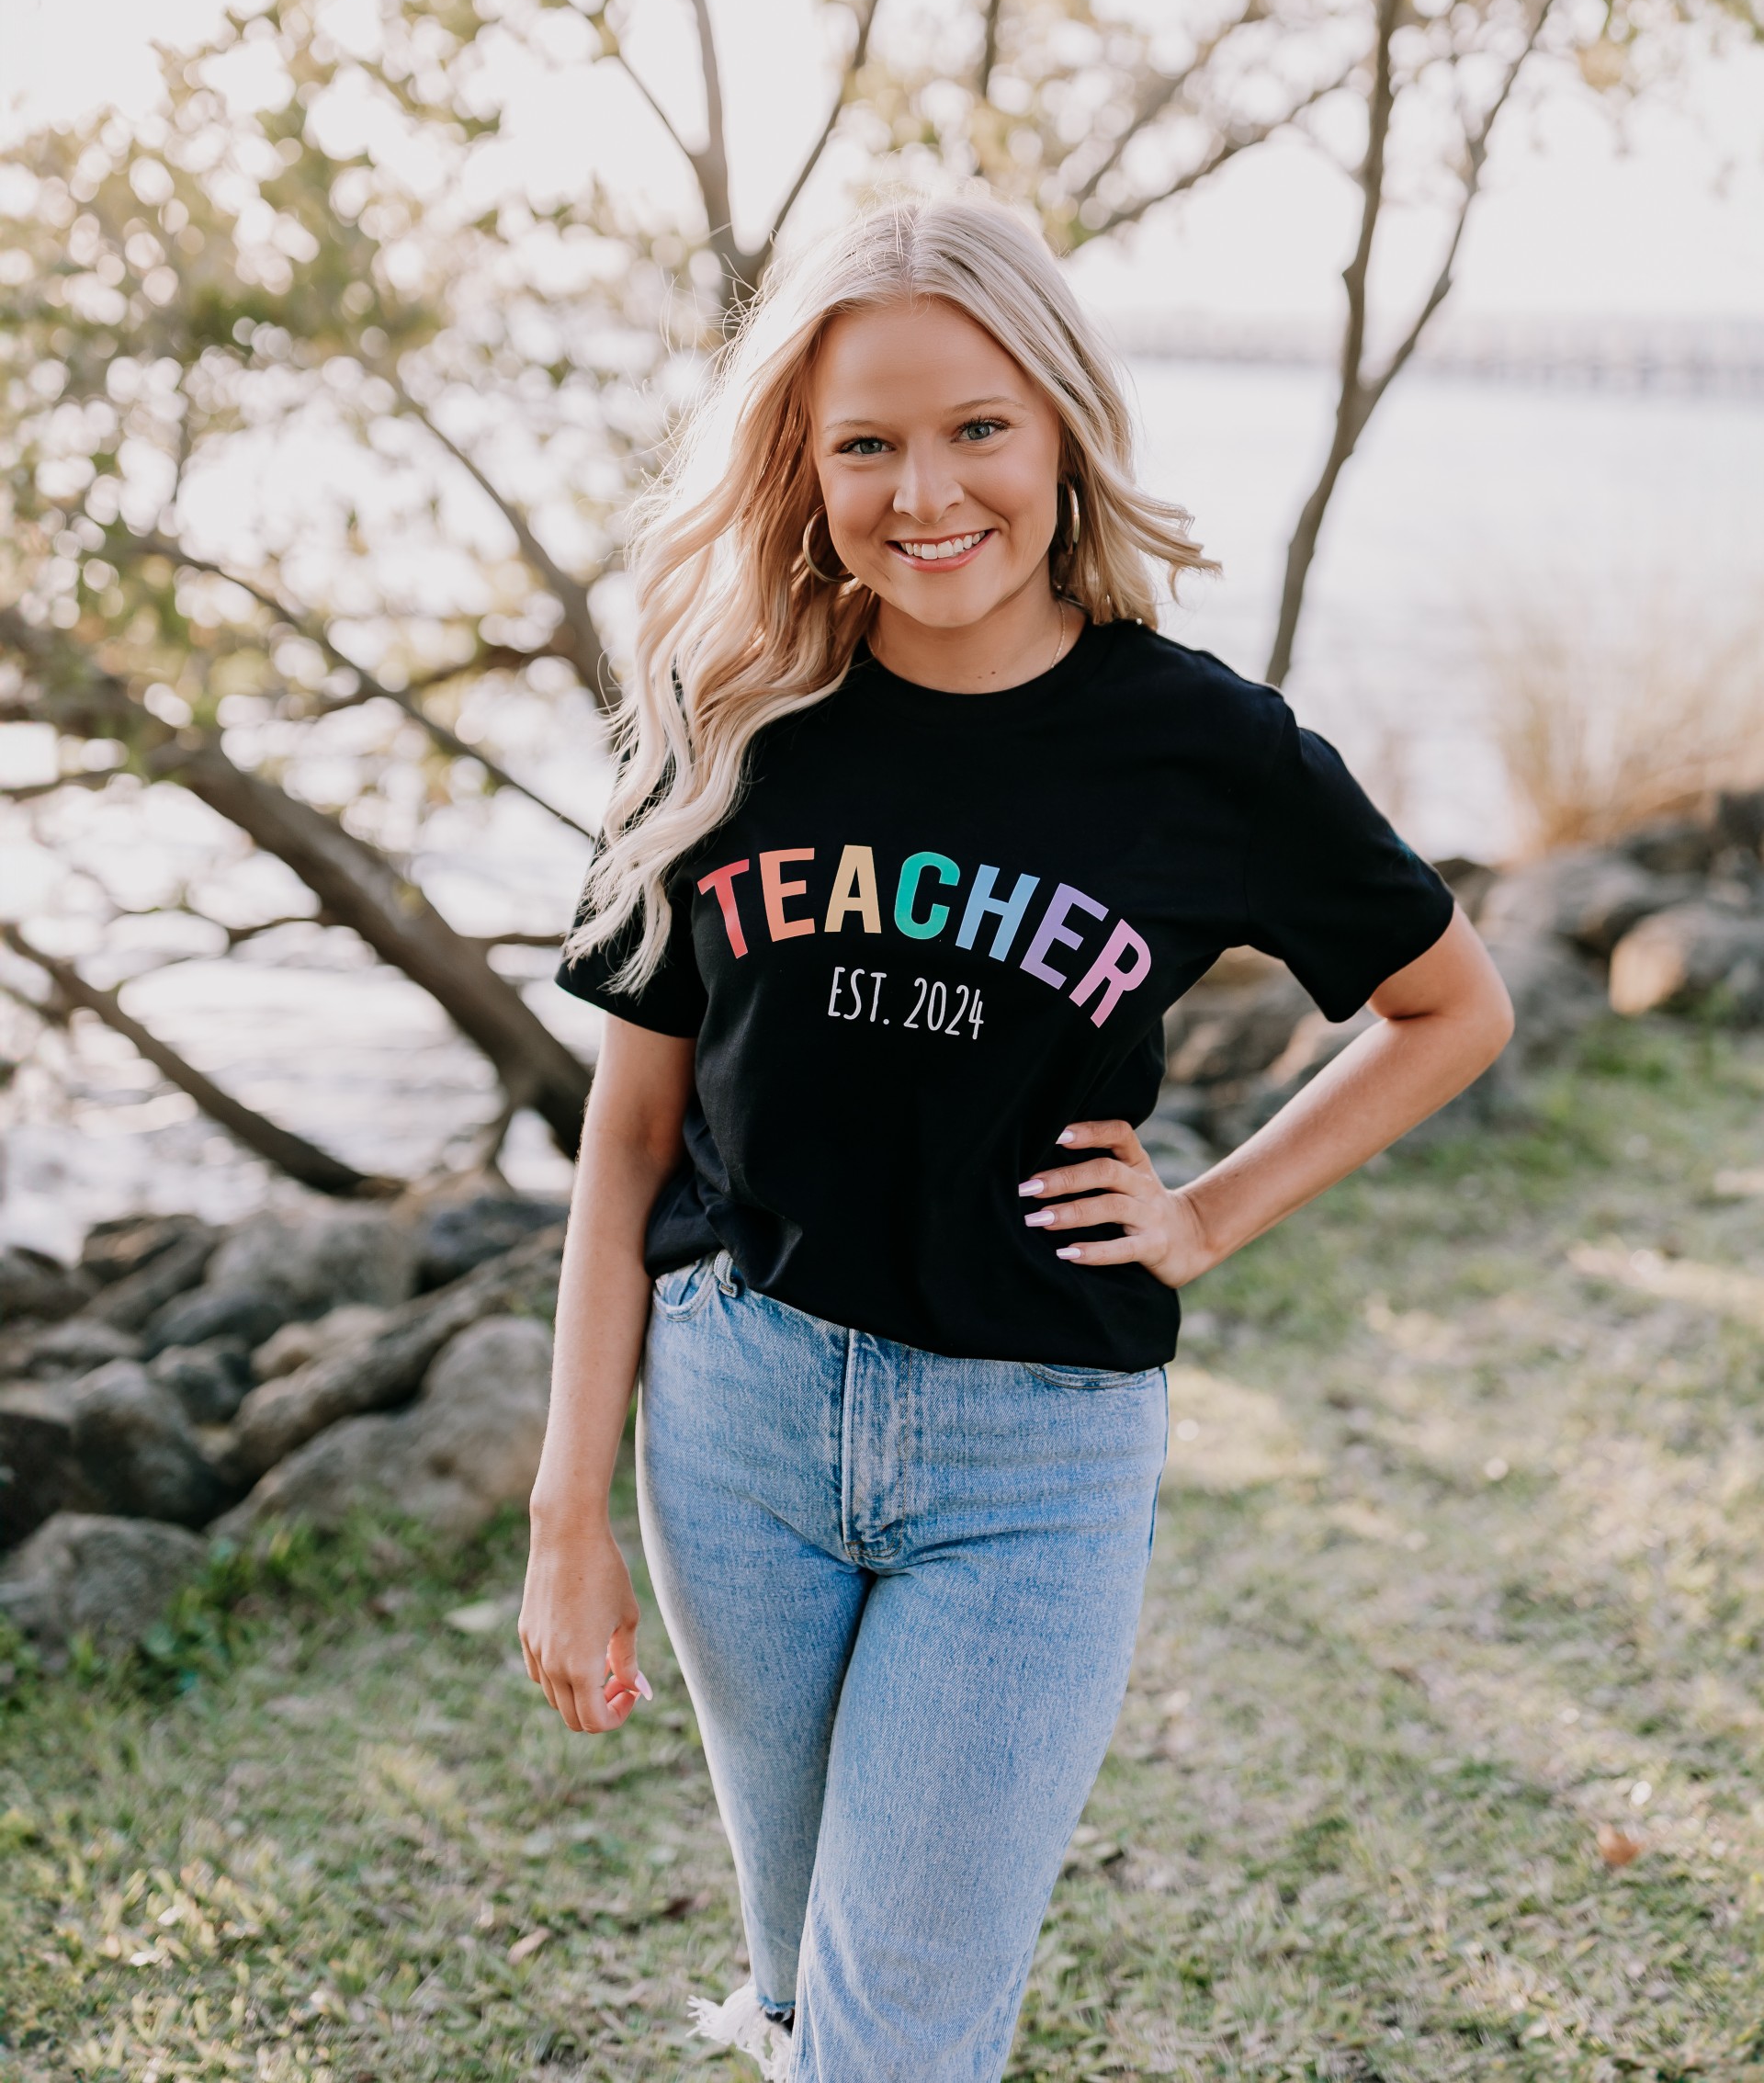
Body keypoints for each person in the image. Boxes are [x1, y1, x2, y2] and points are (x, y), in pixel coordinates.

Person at [519, 197, 1513, 2082]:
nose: (927, 489)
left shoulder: (1198, 748)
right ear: (800, 472)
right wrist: (568, 1517)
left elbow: (1450, 1008)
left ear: (1060, 426)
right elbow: (627, 1145)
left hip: (1030, 1457)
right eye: (867, 442)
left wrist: (1212, 1215)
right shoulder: (722, 723)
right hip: (736, 1434)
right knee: (817, 1987)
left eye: (978, 425)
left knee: (896, 2042)